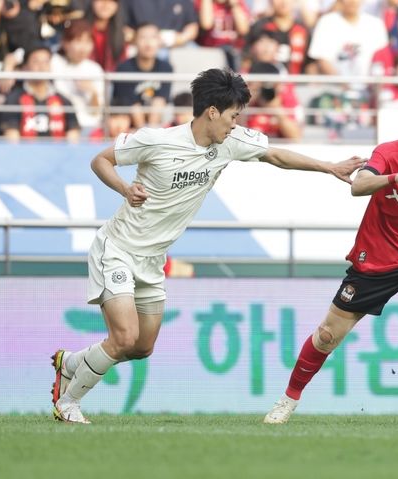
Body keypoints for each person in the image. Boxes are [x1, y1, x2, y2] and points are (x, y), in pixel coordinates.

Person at [50, 67, 366, 424]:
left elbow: (276, 156)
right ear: (212, 111)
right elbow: (100, 160)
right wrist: (125, 188)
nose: (236, 123)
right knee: (123, 337)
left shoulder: (229, 142)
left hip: (153, 260)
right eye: (233, 115)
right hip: (118, 248)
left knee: (142, 346)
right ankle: (69, 403)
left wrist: (329, 167)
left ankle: (71, 363)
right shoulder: (156, 140)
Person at [264, 98, 398, 424]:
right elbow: (358, 184)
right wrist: (393, 179)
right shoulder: (389, 153)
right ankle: (288, 401)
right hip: (375, 262)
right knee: (326, 336)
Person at [0, 44, 80, 141]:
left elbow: (73, 140)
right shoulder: (13, 100)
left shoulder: (64, 101)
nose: (41, 67)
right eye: (36, 61)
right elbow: (11, 140)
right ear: (25, 67)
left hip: (59, 154)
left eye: (46, 62)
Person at [111, 23, 173, 128]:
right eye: (143, 37)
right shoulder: (124, 68)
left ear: (159, 41)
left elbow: (160, 101)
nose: (148, 43)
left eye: (153, 37)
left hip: (154, 126)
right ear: (134, 41)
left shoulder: (166, 68)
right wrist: (144, 137)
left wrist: (152, 135)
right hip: (128, 125)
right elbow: (133, 106)